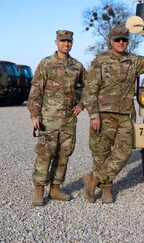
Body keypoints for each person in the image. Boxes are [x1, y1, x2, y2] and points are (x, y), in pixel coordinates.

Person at [82, 26, 144, 204]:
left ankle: (94, 178)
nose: (121, 43)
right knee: (101, 153)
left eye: (124, 40)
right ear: (111, 41)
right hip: (103, 115)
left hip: (124, 115)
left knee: (125, 150)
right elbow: (89, 90)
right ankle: (106, 189)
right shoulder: (101, 61)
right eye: (117, 40)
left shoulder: (133, 61)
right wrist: (93, 116)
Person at [28, 30, 86, 206]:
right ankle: (39, 190)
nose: (66, 44)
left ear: (72, 43)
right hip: (49, 118)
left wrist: (81, 104)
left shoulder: (77, 66)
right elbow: (36, 90)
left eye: (69, 41)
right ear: (56, 42)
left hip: (68, 120)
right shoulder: (46, 64)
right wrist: (34, 114)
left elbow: (87, 87)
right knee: (45, 154)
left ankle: (55, 188)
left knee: (64, 154)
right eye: (63, 41)